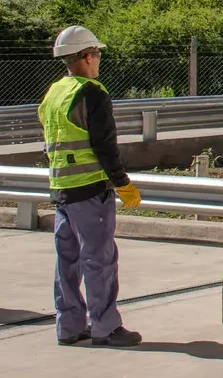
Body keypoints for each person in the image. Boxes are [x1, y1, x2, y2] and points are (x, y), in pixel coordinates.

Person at [39, 26, 143, 348]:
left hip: (61, 192)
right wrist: (123, 183)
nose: (98, 60)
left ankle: (68, 326)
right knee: (99, 259)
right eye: (96, 54)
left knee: (66, 261)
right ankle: (106, 328)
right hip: (89, 191)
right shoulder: (92, 92)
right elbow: (105, 146)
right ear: (85, 57)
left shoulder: (53, 93)